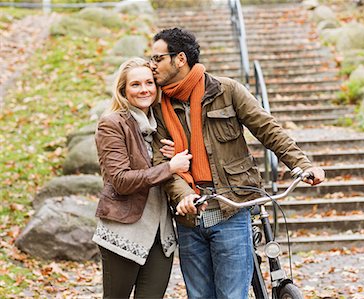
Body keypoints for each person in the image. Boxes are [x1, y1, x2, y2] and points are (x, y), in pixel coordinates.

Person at [150, 28, 325, 299]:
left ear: (180, 59)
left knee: (233, 295)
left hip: (231, 210)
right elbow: (162, 161)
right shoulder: (159, 106)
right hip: (189, 218)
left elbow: (268, 129)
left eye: (158, 58)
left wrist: (302, 165)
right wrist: (183, 196)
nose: (152, 65)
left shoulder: (226, 90)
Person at [92, 57, 192, 299]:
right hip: (124, 228)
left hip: (160, 232)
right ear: (123, 90)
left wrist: (173, 152)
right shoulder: (112, 124)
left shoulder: (162, 124)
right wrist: (169, 167)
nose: (144, 89)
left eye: (149, 82)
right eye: (135, 84)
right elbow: (121, 180)